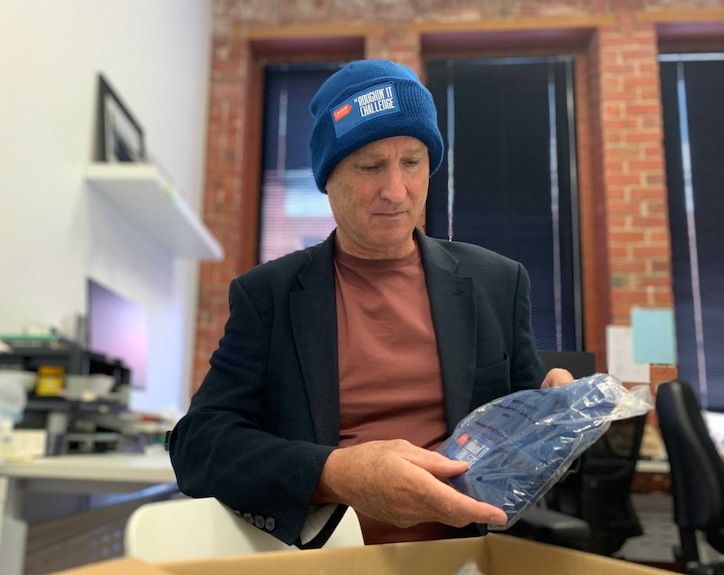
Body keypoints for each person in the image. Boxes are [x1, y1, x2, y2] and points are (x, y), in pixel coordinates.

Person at [169, 58, 574, 548]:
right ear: (329, 178)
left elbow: (524, 438)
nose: (396, 191)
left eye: (412, 162)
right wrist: (333, 473)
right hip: (324, 560)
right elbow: (197, 444)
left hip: (460, 557)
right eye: (369, 166)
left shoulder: (497, 282)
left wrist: (559, 425)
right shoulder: (268, 296)